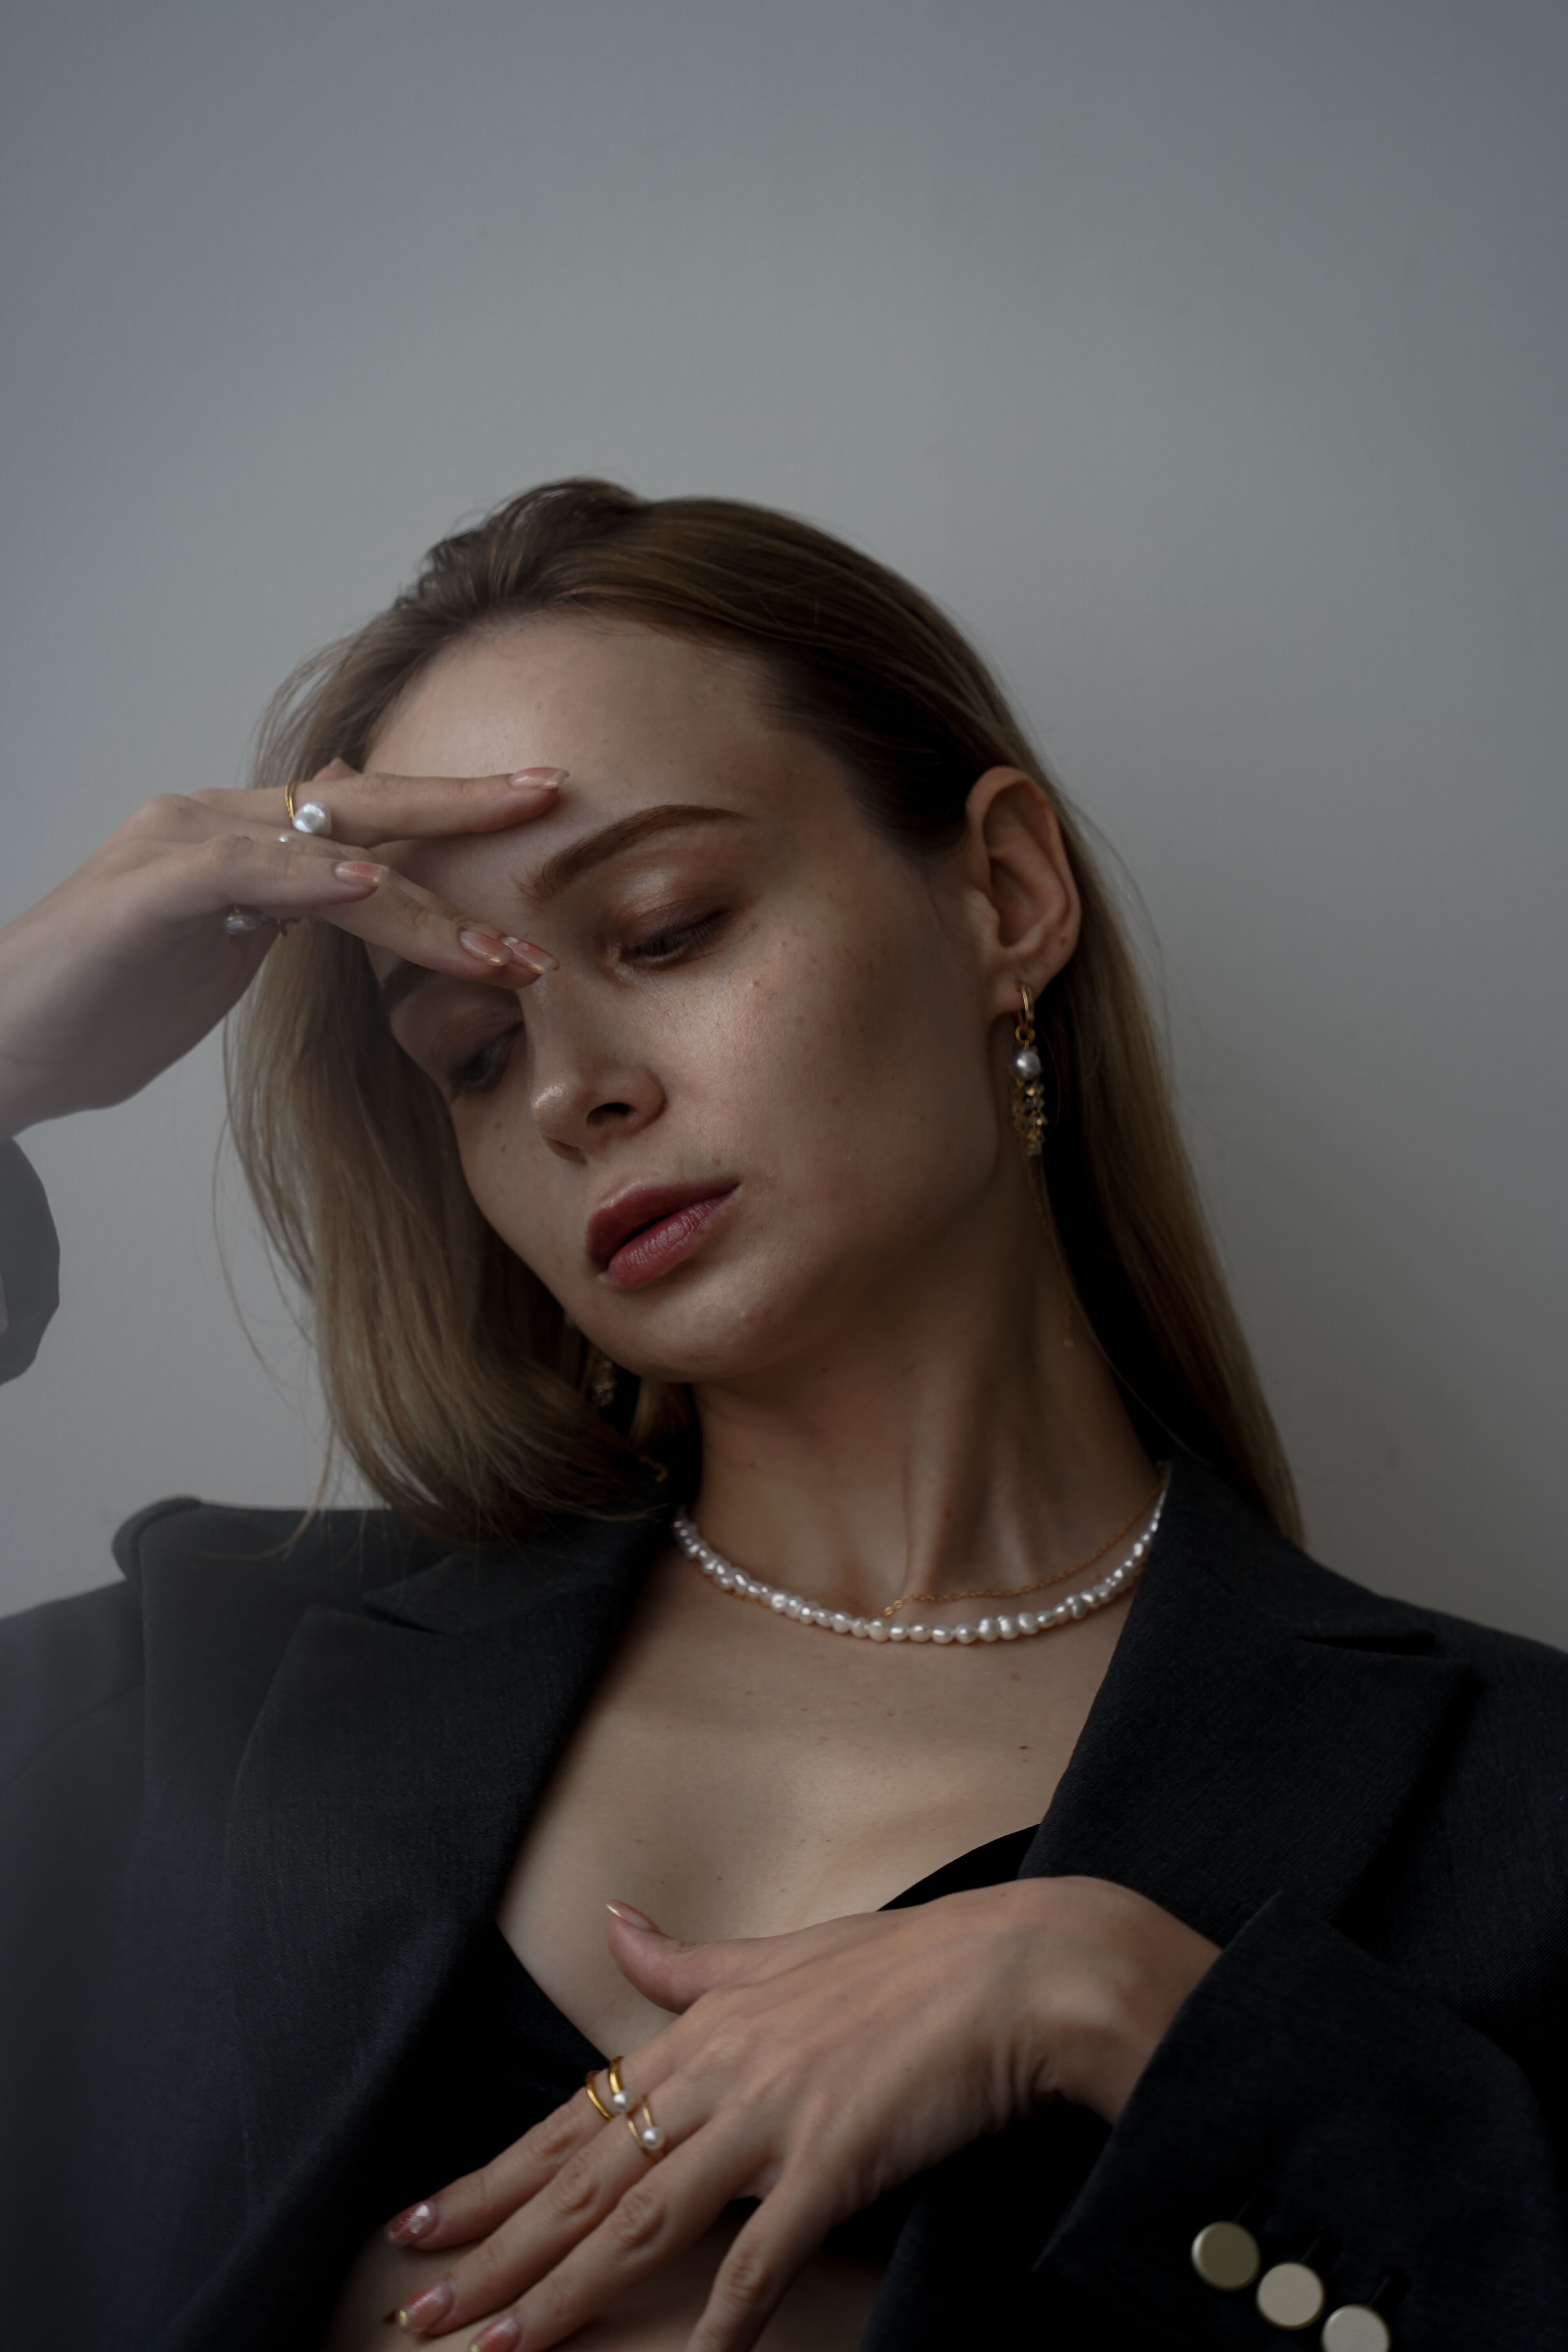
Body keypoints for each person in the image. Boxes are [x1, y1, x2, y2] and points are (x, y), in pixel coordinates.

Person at [0, 480, 1563, 2352]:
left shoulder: (1513, 1808)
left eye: (664, 930)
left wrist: (1121, 2004)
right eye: (472, 1054)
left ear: (1003, 896)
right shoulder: (190, 1692)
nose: (569, 1089)